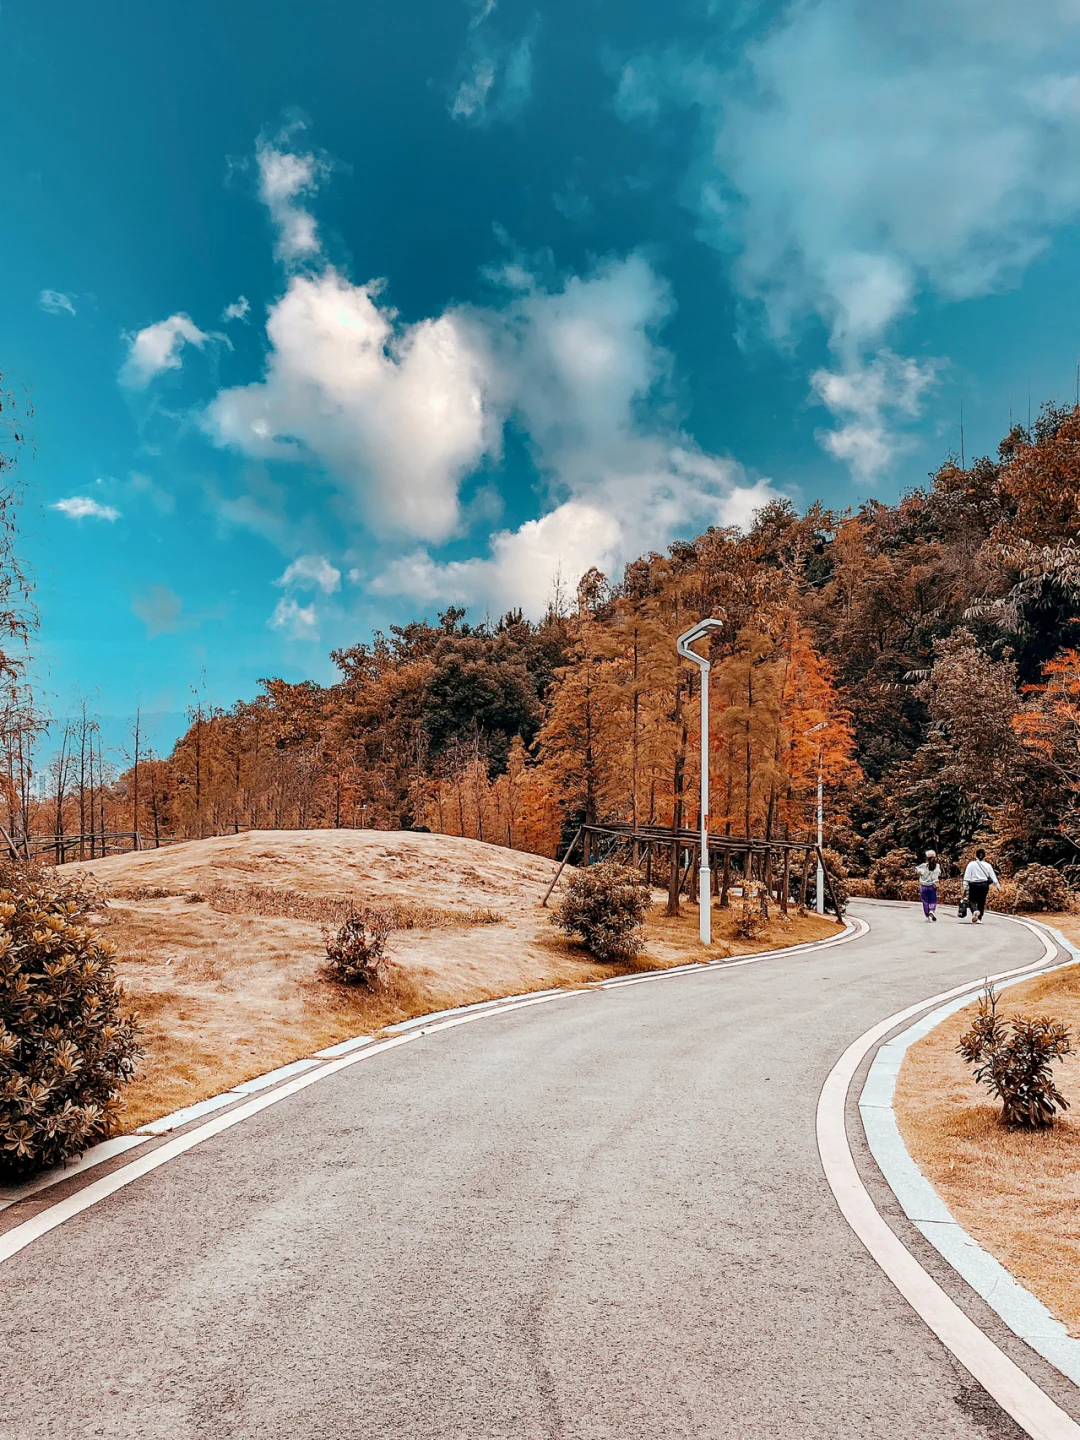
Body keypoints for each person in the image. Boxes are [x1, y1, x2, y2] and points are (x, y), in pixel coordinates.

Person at [963, 848, 998, 923]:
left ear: (976, 855)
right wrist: (997, 885)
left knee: (972, 900)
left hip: (974, 885)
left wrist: (965, 885)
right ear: (984, 856)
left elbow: (967, 876)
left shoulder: (971, 864)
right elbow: (992, 876)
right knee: (981, 901)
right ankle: (979, 918)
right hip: (984, 885)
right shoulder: (988, 865)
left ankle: (975, 910)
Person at [916, 850, 941, 921]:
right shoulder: (937, 866)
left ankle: (927, 916)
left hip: (924, 886)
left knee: (925, 902)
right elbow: (939, 873)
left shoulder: (923, 866)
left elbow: (917, 870)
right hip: (933, 886)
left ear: (926, 858)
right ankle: (931, 911)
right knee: (933, 900)